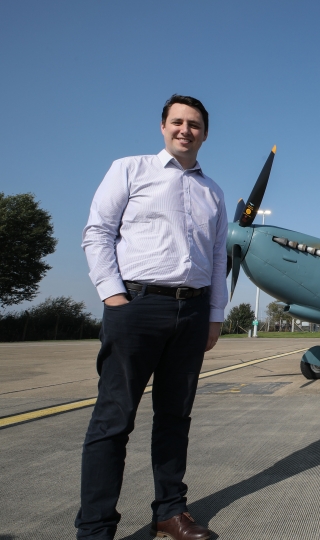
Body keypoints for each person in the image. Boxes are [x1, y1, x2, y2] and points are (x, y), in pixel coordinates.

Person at [77, 95, 227, 540]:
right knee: (114, 419)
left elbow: (218, 257)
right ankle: (96, 527)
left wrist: (215, 315)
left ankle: (170, 510)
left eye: (195, 124)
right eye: (178, 122)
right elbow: (97, 232)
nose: (186, 129)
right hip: (137, 306)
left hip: (194, 309)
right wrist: (113, 296)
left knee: (175, 417)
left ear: (205, 132)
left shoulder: (212, 191)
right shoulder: (129, 169)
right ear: (163, 127)